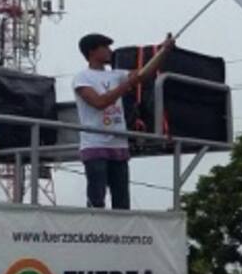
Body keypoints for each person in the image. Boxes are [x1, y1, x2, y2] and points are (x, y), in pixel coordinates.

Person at [72, 32, 173, 209]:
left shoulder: (116, 74)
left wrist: (163, 51)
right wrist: (125, 86)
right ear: (92, 51)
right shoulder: (82, 77)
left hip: (118, 145)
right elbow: (99, 102)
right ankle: (95, 232)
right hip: (95, 144)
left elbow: (143, 74)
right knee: (97, 199)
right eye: (105, 47)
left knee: (122, 201)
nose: (109, 50)